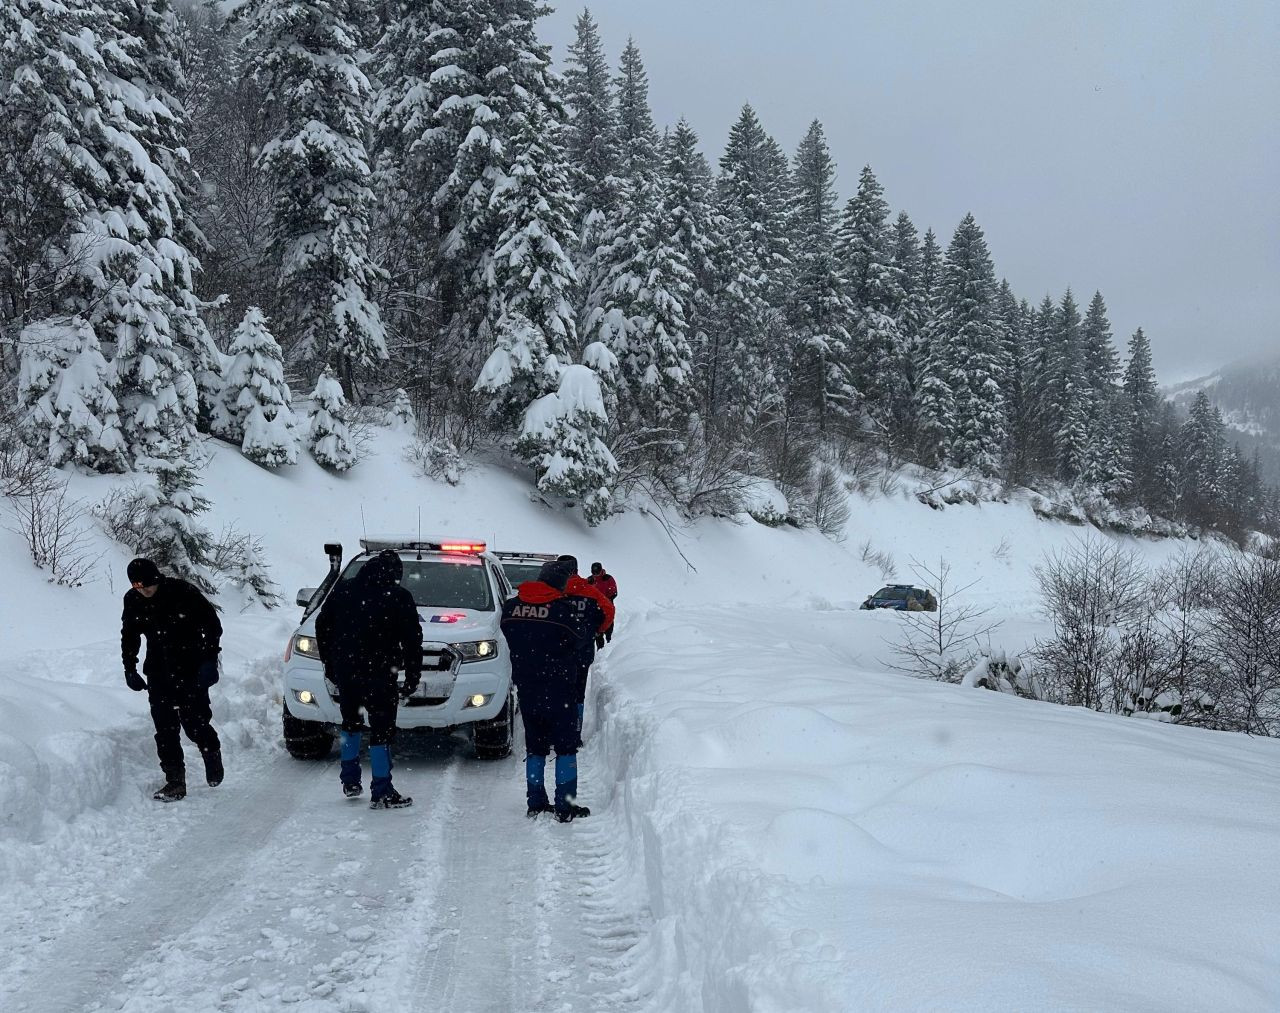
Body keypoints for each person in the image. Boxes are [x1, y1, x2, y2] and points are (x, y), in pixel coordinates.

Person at [315, 549, 423, 809]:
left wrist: (330, 662)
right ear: (396, 574)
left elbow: (321, 625)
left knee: (350, 721)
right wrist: (412, 674)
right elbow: (412, 640)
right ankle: (382, 789)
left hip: (347, 671)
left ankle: (350, 779)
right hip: (380, 672)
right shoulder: (398, 597)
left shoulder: (344, 590)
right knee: (381, 729)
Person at [500, 559, 603, 822]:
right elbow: (581, 640)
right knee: (566, 747)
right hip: (560, 690)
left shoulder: (511, 608)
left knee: (535, 747)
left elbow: (507, 635)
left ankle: (535, 801)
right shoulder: (563, 611)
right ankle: (565, 805)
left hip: (527, 688)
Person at [120, 557, 224, 802]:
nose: (143, 590)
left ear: (156, 579)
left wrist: (210, 659)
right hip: (158, 670)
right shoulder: (133, 600)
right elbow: (129, 634)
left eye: (146, 585)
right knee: (165, 728)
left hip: (191, 667)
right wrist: (130, 668)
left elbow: (212, 625)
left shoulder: (183, 592)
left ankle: (211, 752)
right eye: (137, 586)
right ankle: (175, 782)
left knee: (194, 723)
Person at [556, 555, 614, 742]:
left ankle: (554, 731)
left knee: (555, 690)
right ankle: (574, 733)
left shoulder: (553, 591)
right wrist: (598, 630)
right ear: (576, 569)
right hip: (583, 649)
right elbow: (609, 610)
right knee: (577, 690)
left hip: (555, 651)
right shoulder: (589, 590)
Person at [587, 562, 618, 648]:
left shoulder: (608, 578)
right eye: (594, 573)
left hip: (607, 608)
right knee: (597, 630)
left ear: (601, 570)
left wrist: (605, 600)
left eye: (597, 572)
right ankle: (600, 649)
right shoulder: (590, 580)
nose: (596, 574)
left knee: (608, 626)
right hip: (594, 608)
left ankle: (609, 644)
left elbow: (614, 592)